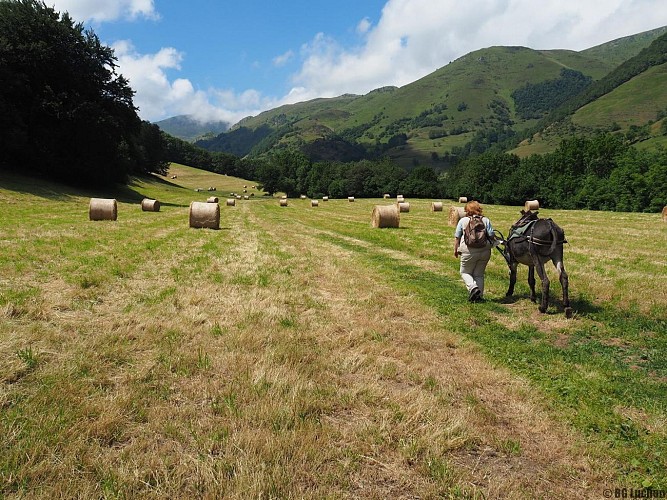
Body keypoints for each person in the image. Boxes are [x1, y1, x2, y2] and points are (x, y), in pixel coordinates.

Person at [453, 200, 495, 302]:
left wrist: (456, 249)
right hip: (485, 251)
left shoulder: (463, 221)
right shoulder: (485, 220)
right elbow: (491, 235)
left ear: (467, 210)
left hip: (469, 251)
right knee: (479, 274)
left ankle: (473, 288)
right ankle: (479, 297)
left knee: (464, 272)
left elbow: (457, 237)